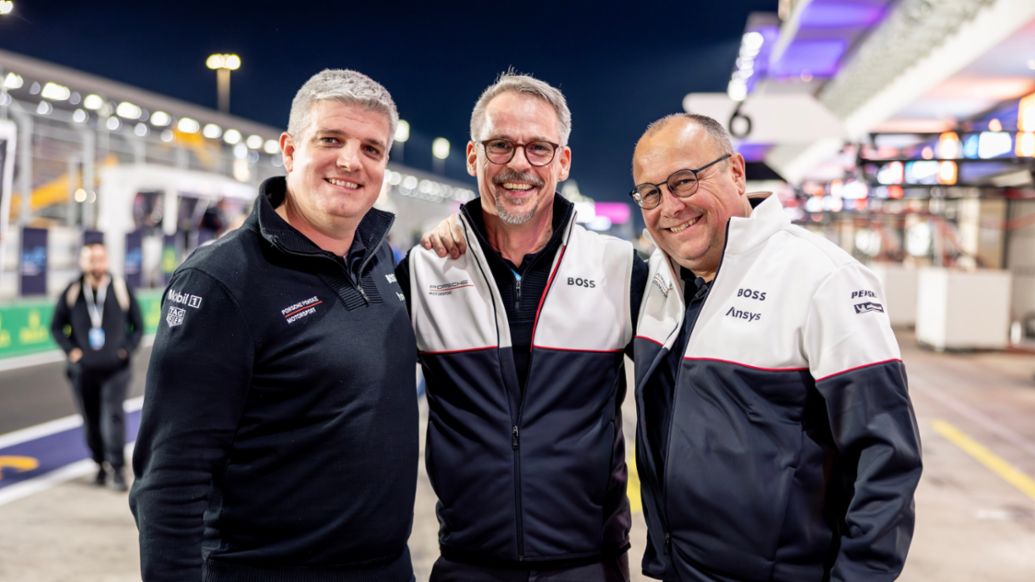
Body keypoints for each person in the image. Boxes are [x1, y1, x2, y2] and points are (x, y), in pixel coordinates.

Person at [129, 69, 418, 581]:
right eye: (331, 139)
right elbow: (170, 480)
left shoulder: (379, 260)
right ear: (289, 150)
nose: (351, 161)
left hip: (387, 569)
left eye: (372, 149)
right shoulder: (221, 279)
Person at [629, 113, 923, 581]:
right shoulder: (657, 286)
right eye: (650, 192)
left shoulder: (822, 277)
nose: (669, 206)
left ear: (737, 172)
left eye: (684, 182)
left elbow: (886, 461)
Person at [398, 72, 647, 582]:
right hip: (467, 562)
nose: (518, 163)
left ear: (562, 161)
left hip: (589, 564)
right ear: (473, 157)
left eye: (538, 148)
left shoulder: (619, 269)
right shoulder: (424, 273)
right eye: (501, 146)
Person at [50, 241, 143, 492]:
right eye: (91, 259)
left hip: (116, 370)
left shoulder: (120, 288)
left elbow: (139, 325)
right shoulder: (72, 291)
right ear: (83, 262)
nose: (96, 264)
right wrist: (72, 352)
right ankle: (100, 465)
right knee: (90, 420)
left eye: (100, 259)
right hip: (83, 372)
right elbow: (56, 326)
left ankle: (117, 469)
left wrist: (126, 350)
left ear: (107, 261)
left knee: (112, 417)